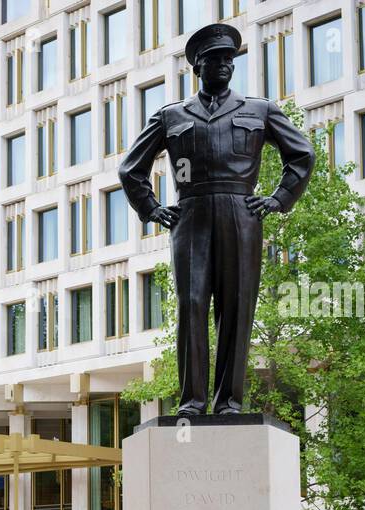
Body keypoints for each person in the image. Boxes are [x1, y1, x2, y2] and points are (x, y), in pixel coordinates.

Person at [119, 22, 313, 416]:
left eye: (229, 59)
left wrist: (279, 198)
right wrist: (151, 208)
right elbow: (130, 170)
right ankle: (192, 402)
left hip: (241, 213)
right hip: (191, 214)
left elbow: (302, 155)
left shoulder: (260, 110)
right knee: (192, 305)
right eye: (215, 59)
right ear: (198, 66)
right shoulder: (171, 116)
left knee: (237, 306)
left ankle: (228, 402)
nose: (224, 65)